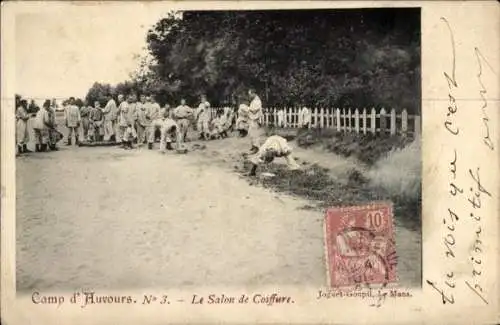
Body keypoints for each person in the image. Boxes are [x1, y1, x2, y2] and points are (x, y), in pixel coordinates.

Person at [247, 89, 264, 153]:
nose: (249, 96)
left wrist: (248, 109)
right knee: (250, 133)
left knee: (254, 134)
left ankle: (256, 147)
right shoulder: (254, 100)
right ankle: (253, 146)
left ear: (253, 93)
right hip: (252, 119)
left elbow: (254, 111)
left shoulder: (257, 101)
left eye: (250, 94)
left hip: (255, 119)